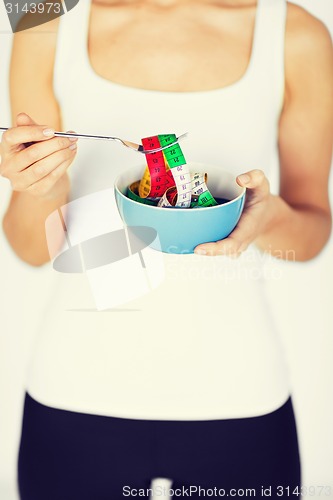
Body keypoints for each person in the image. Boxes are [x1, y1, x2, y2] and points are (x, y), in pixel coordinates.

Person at [0, 0, 332, 498]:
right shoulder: (43, 18)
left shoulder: (296, 32)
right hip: (75, 387)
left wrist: (266, 216)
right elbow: (29, 248)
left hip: (239, 393)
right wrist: (42, 187)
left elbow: (311, 235)